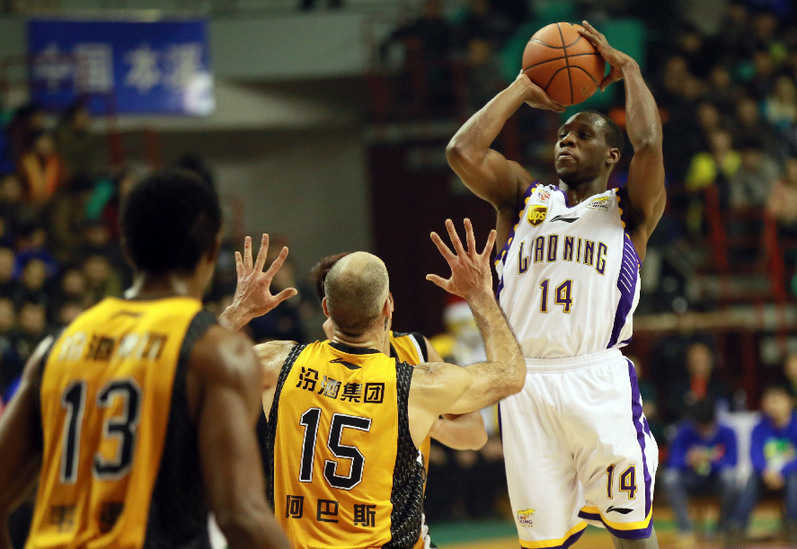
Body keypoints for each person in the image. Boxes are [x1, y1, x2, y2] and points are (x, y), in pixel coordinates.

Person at [446, 21, 665, 549]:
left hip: (597, 381)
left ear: (611, 156)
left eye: (583, 135)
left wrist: (630, 69)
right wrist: (521, 87)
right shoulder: (524, 198)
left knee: (632, 531)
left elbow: (649, 142)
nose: (567, 140)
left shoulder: (628, 211)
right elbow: (461, 152)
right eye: (563, 134)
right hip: (526, 383)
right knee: (544, 542)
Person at [0, 170, 290, 549]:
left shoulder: (55, 347)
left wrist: (231, 316)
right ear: (210, 249)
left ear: (126, 247)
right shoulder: (218, 354)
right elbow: (241, 516)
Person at [252, 218, 525, 548]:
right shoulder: (416, 384)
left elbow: (475, 435)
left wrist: (239, 311)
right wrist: (480, 294)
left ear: (327, 308)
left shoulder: (282, 363)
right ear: (388, 305)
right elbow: (510, 374)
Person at [306, 250, 487, 544]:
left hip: (404, 530)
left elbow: (475, 434)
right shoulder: (311, 366)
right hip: (338, 528)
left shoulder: (415, 349)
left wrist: (428, 423)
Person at [661, 399, 738, 547]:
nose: (703, 431)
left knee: (731, 478)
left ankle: (722, 528)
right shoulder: (684, 431)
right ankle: (685, 530)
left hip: (715, 480)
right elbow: (672, 461)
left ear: (715, 420)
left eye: (707, 427)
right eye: (699, 427)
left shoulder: (728, 432)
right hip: (690, 479)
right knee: (669, 478)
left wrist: (709, 458)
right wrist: (688, 459)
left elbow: (732, 462)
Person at [732, 383, 797, 543]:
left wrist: (782, 472)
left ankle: (792, 526)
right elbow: (755, 455)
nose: (772, 405)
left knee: (795, 479)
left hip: (790, 475)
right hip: (765, 477)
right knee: (752, 478)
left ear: (790, 402)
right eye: (768, 400)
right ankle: (737, 527)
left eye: (777, 400)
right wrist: (767, 472)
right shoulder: (759, 427)